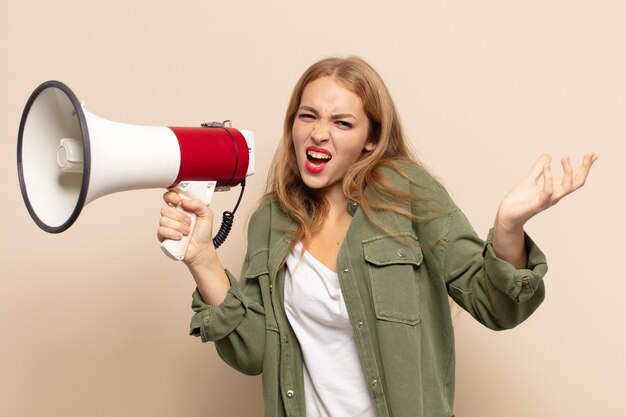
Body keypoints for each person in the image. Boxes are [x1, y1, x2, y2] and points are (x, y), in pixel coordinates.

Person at [157, 56, 598, 417]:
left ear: (371, 139)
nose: (319, 132)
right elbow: (254, 353)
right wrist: (202, 260)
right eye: (307, 116)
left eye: (343, 123)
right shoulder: (273, 218)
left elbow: (498, 305)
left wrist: (507, 227)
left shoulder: (407, 191)